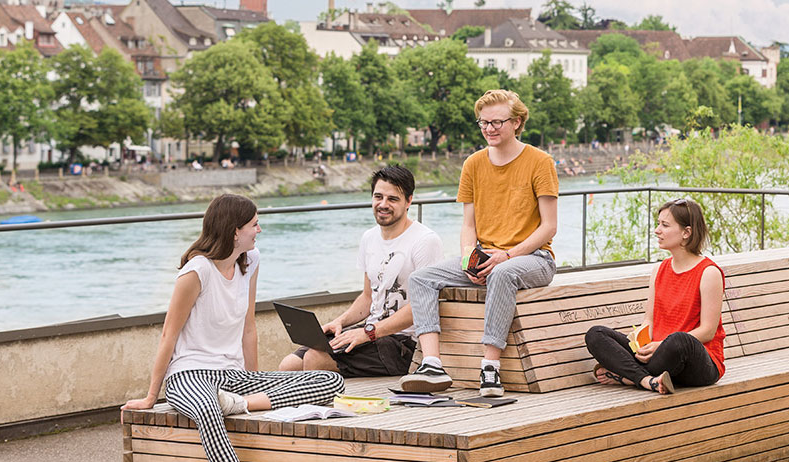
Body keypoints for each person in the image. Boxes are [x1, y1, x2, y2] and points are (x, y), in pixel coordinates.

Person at [122, 194, 344, 462]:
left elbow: (248, 328)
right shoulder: (197, 271)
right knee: (207, 409)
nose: (259, 230)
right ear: (235, 231)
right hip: (189, 376)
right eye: (254, 224)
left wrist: (253, 376)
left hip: (234, 378)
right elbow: (169, 334)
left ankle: (238, 403)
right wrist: (151, 397)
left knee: (330, 381)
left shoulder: (250, 260)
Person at [398, 89, 559, 397]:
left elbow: (549, 227)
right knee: (421, 279)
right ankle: (432, 363)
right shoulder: (473, 164)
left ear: (517, 122)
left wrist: (508, 255)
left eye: (497, 122)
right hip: (486, 255)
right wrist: (468, 259)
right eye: (483, 122)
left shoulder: (540, 162)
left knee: (502, 273)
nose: (489, 128)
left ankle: (490, 367)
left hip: (534, 258)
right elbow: (468, 224)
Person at [278, 165, 443, 376]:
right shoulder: (369, 238)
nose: (383, 205)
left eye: (392, 199)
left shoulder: (425, 241)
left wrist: (368, 333)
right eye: (378, 197)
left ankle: (317, 408)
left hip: (402, 343)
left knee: (315, 358)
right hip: (370, 331)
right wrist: (340, 322)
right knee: (288, 365)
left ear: (409, 201)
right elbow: (367, 298)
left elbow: (423, 307)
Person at [585, 198, 725, 394]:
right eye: (658, 224)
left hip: (697, 362)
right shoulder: (659, 270)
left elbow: (708, 331)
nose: (657, 230)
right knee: (596, 334)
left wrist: (661, 346)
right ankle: (647, 380)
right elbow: (648, 320)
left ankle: (628, 376)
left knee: (679, 340)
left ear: (686, 232)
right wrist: (642, 342)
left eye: (665, 225)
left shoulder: (709, 273)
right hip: (657, 355)